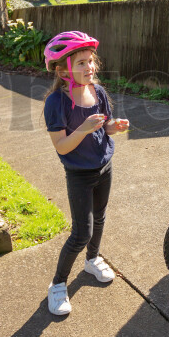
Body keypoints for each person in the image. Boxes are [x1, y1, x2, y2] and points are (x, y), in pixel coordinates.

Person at [43, 31, 130, 316]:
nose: (89, 68)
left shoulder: (98, 92)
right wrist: (83, 129)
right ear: (61, 69)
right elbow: (62, 147)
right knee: (81, 232)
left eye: (90, 61)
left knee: (100, 217)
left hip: (104, 166)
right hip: (79, 174)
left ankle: (92, 260)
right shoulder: (56, 103)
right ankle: (57, 284)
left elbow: (102, 125)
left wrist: (112, 127)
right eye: (80, 63)